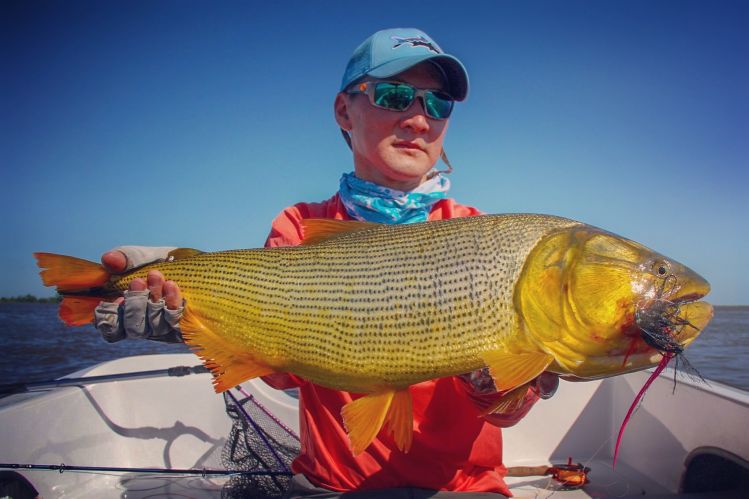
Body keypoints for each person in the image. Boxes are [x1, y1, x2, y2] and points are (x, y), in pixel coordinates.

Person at [94, 28, 559, 498]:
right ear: (344, 110)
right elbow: (279, 370)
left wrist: (495, 377)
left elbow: (505, 413)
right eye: (395, 95)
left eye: (437, 103)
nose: (420, 119)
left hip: (464, 489)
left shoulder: (482, 236)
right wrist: (189, 305)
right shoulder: (300, 225)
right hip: (332, 488)